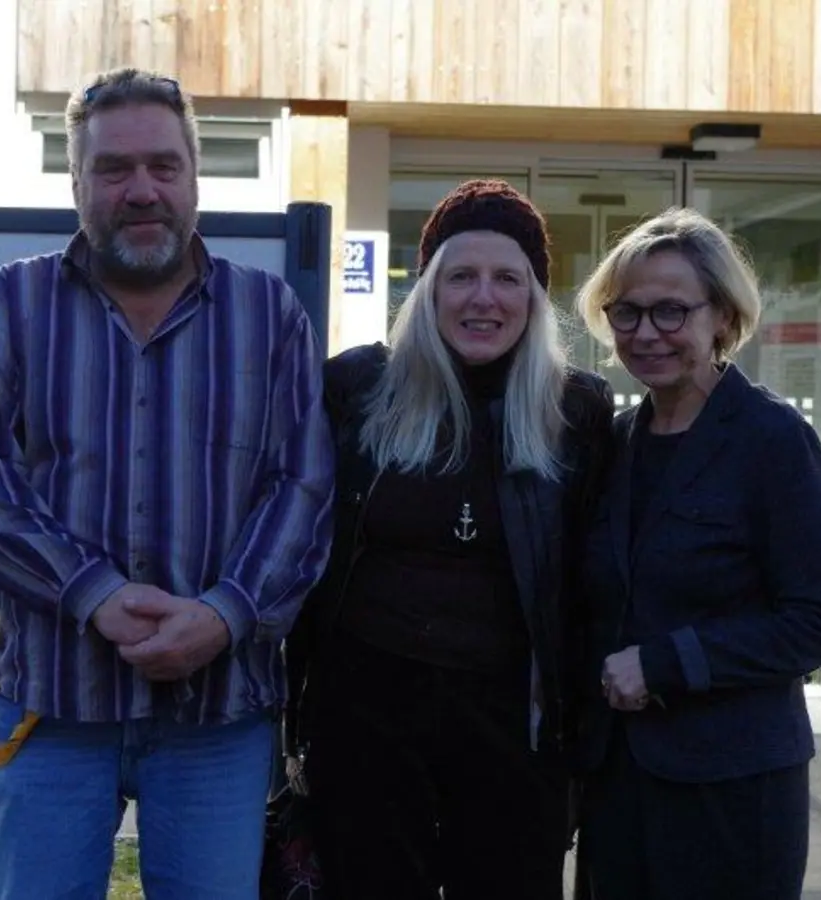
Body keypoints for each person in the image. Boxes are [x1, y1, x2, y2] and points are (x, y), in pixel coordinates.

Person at [0, 67, 335, 900]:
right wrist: (94, 593)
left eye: (163, 165)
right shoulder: (11, 306)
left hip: (217, 717)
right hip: (50, 706)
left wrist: (224, 616)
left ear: (195, 175)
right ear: (77, 182)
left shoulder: (269, 317)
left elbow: (303, 485)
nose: (141, 190)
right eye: (113, 170)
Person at [284, 179, 615, 900]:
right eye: (461, 276)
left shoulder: (577, 411)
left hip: (512, 723)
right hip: (367, 712)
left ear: (533, 296)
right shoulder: (357, 389)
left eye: (507, 278)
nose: (482, 298)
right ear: (429, 290)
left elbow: (591, 584)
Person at [568, 207, 821, 899]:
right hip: (617, 783)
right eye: (626, 312)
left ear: (722, 317)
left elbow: (819, 622)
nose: (645, 333)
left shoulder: (772, 440)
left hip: (731, 787)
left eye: (671, 312)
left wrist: (666, 664)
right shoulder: (617, 439)